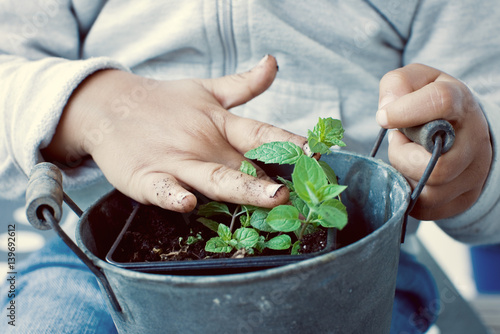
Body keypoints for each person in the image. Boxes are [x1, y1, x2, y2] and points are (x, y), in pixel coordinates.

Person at [1, 1, 499, 333]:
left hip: (349, 263)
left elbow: (481, 91)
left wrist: (472, 161)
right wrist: (90, 105)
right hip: (99, 265)